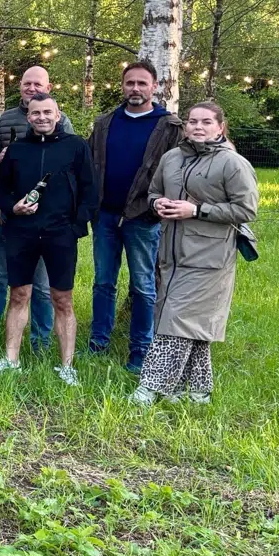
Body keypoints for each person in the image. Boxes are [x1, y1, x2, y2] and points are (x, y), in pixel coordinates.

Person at [131, 101, 258, 406]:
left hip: (209, 258)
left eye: (206, 122)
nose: (198, 127)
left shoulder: (233, 163)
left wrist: (197, 210)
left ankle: (150, 388)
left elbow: (246, 209)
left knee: (175, 321)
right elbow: (153, 192)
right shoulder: (172, 158)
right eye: (192, 122)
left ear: (220, 127)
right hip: (171, 255)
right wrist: (157, 203)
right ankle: (196, 392)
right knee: (190, 324)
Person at [0, 94, 97, 385]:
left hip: (61, 234)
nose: (42, 117)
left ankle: (67, 366)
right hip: (22, 232)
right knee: (19, 295)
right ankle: (11, 360)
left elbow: (90, 190)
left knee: (63, 299)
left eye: (47, 112)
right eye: (36, 113)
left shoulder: (76, 146)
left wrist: (75, 226)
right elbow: (0, 190)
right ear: (29, 117)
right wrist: (12, 208)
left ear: (58, 115)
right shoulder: (17, 150)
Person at [89, 60, 183, 373]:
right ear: (122, 85)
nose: (136, 89)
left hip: (143, 218)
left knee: (143, 286)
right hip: (105, 217)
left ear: (155, 87)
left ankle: (141, 350)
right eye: (130, 83)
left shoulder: (170, 127)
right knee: (103, 282)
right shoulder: (105, 122)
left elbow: (185, 169)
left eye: (142, 83)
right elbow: (90, 164)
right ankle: (98, 342)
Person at [0, 66, 73, 349]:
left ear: (49, 87)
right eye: (27, 83)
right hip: (7, 213)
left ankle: (41, 341)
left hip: (46, 220)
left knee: (43, 286)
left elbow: (68, 160)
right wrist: (2, 157)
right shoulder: (6, 118)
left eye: (38, 84)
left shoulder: (62, 120)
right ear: (19, 86)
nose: (32, 88)